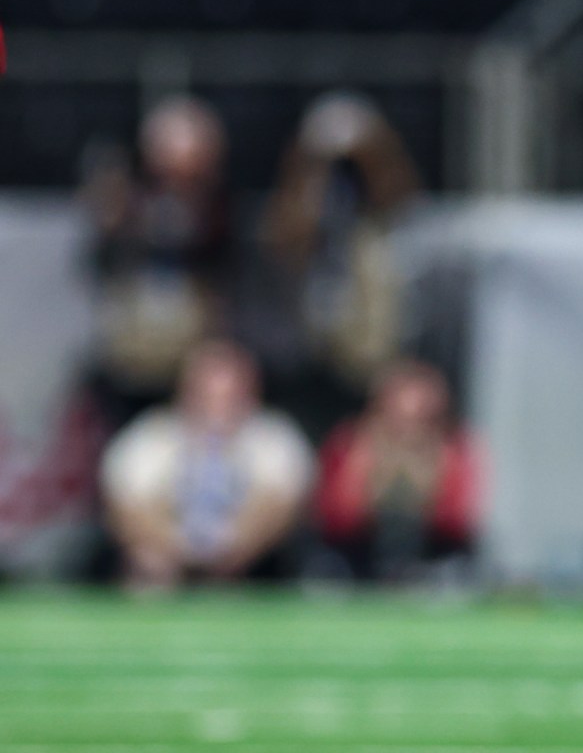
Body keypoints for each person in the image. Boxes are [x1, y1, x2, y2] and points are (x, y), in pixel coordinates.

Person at [255, 91, 422, 434]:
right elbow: (286, 235)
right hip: (306, 358)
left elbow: (399, 202)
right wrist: (312, 165)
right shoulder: (300, 204)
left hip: (370, 358)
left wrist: (371, 155)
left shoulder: (385, 213)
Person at [99, 340, 312, 590]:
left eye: (231, 397)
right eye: (207, 396)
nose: (218, 409)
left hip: (257, 568)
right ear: (186, 393)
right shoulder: (151, 437)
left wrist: (230, 547)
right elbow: (126, 507)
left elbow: (281, 505)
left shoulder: (274, 438)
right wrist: (180, 548)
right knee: (145, 561)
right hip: (166, 564)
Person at [84, 95, 236, 419]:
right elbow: (98, 266)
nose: (177, 173)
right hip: (128, 364)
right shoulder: (126, 204)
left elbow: (226, 271)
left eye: (190, 164)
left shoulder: (221, 211)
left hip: (194, 368)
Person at [314, 359, 479, 583]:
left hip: (433, 561)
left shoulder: (456, 448)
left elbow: (458, 523)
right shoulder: (350, 442)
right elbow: (335, 518)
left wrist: (431, 479)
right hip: (357, 560)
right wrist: (369, 473)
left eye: (420, 419)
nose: (407, 430)